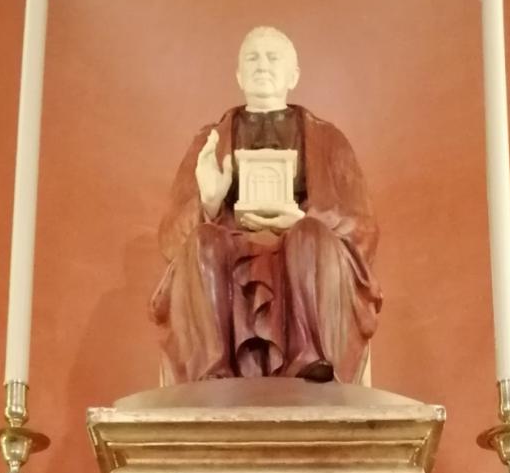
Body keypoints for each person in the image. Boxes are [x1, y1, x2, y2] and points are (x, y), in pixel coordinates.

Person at [152, 26, 382, 383]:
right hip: (230, 249)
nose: (262, 65)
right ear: (239, 74)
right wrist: (208, 203)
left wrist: (304, 218)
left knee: (308, 237)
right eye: (252, 57)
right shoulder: (209, 142)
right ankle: (213, 369)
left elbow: (363, 225)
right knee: (202, 243)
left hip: (306, 251)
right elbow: (170, 237)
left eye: (273, 57)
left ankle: (311, 358)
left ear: (294, 75)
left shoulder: (328, 140)